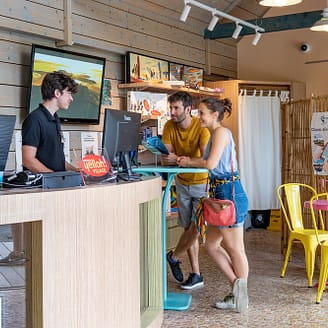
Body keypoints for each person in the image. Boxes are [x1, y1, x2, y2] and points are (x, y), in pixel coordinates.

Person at [177, 97, 249, 313]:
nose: (198, 116)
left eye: (202, 113)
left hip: (229, 194)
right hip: (220, 193)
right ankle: (237, 291)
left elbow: (210, 163)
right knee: (211, 245)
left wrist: (188, 161)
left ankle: (240, 298)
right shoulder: (215, 134)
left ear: (215, 115)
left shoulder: (220, 133)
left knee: (236, 249)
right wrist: (188, 160)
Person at [162, 91, 210, 290]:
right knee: (188, 228)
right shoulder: (168, 126)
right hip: (181, 182)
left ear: (188, 109)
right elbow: (167, 157)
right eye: (170, 108)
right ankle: (196, 274)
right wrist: (179, 160)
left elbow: (207, 161)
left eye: (176, 108)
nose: (172, 112)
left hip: (201, 183)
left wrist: (183, 160)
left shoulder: (202, 129)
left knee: (196, 228)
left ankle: (173, 256)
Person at [22, 71, 78, 173]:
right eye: (69, 93)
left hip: (57, 185)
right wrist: (54, 178)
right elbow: (28, 160)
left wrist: (79, 173)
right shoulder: (34, 119)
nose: (71, 98)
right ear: (57, 93)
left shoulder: (55, 119)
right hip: (42, 187)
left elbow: (58, 162)